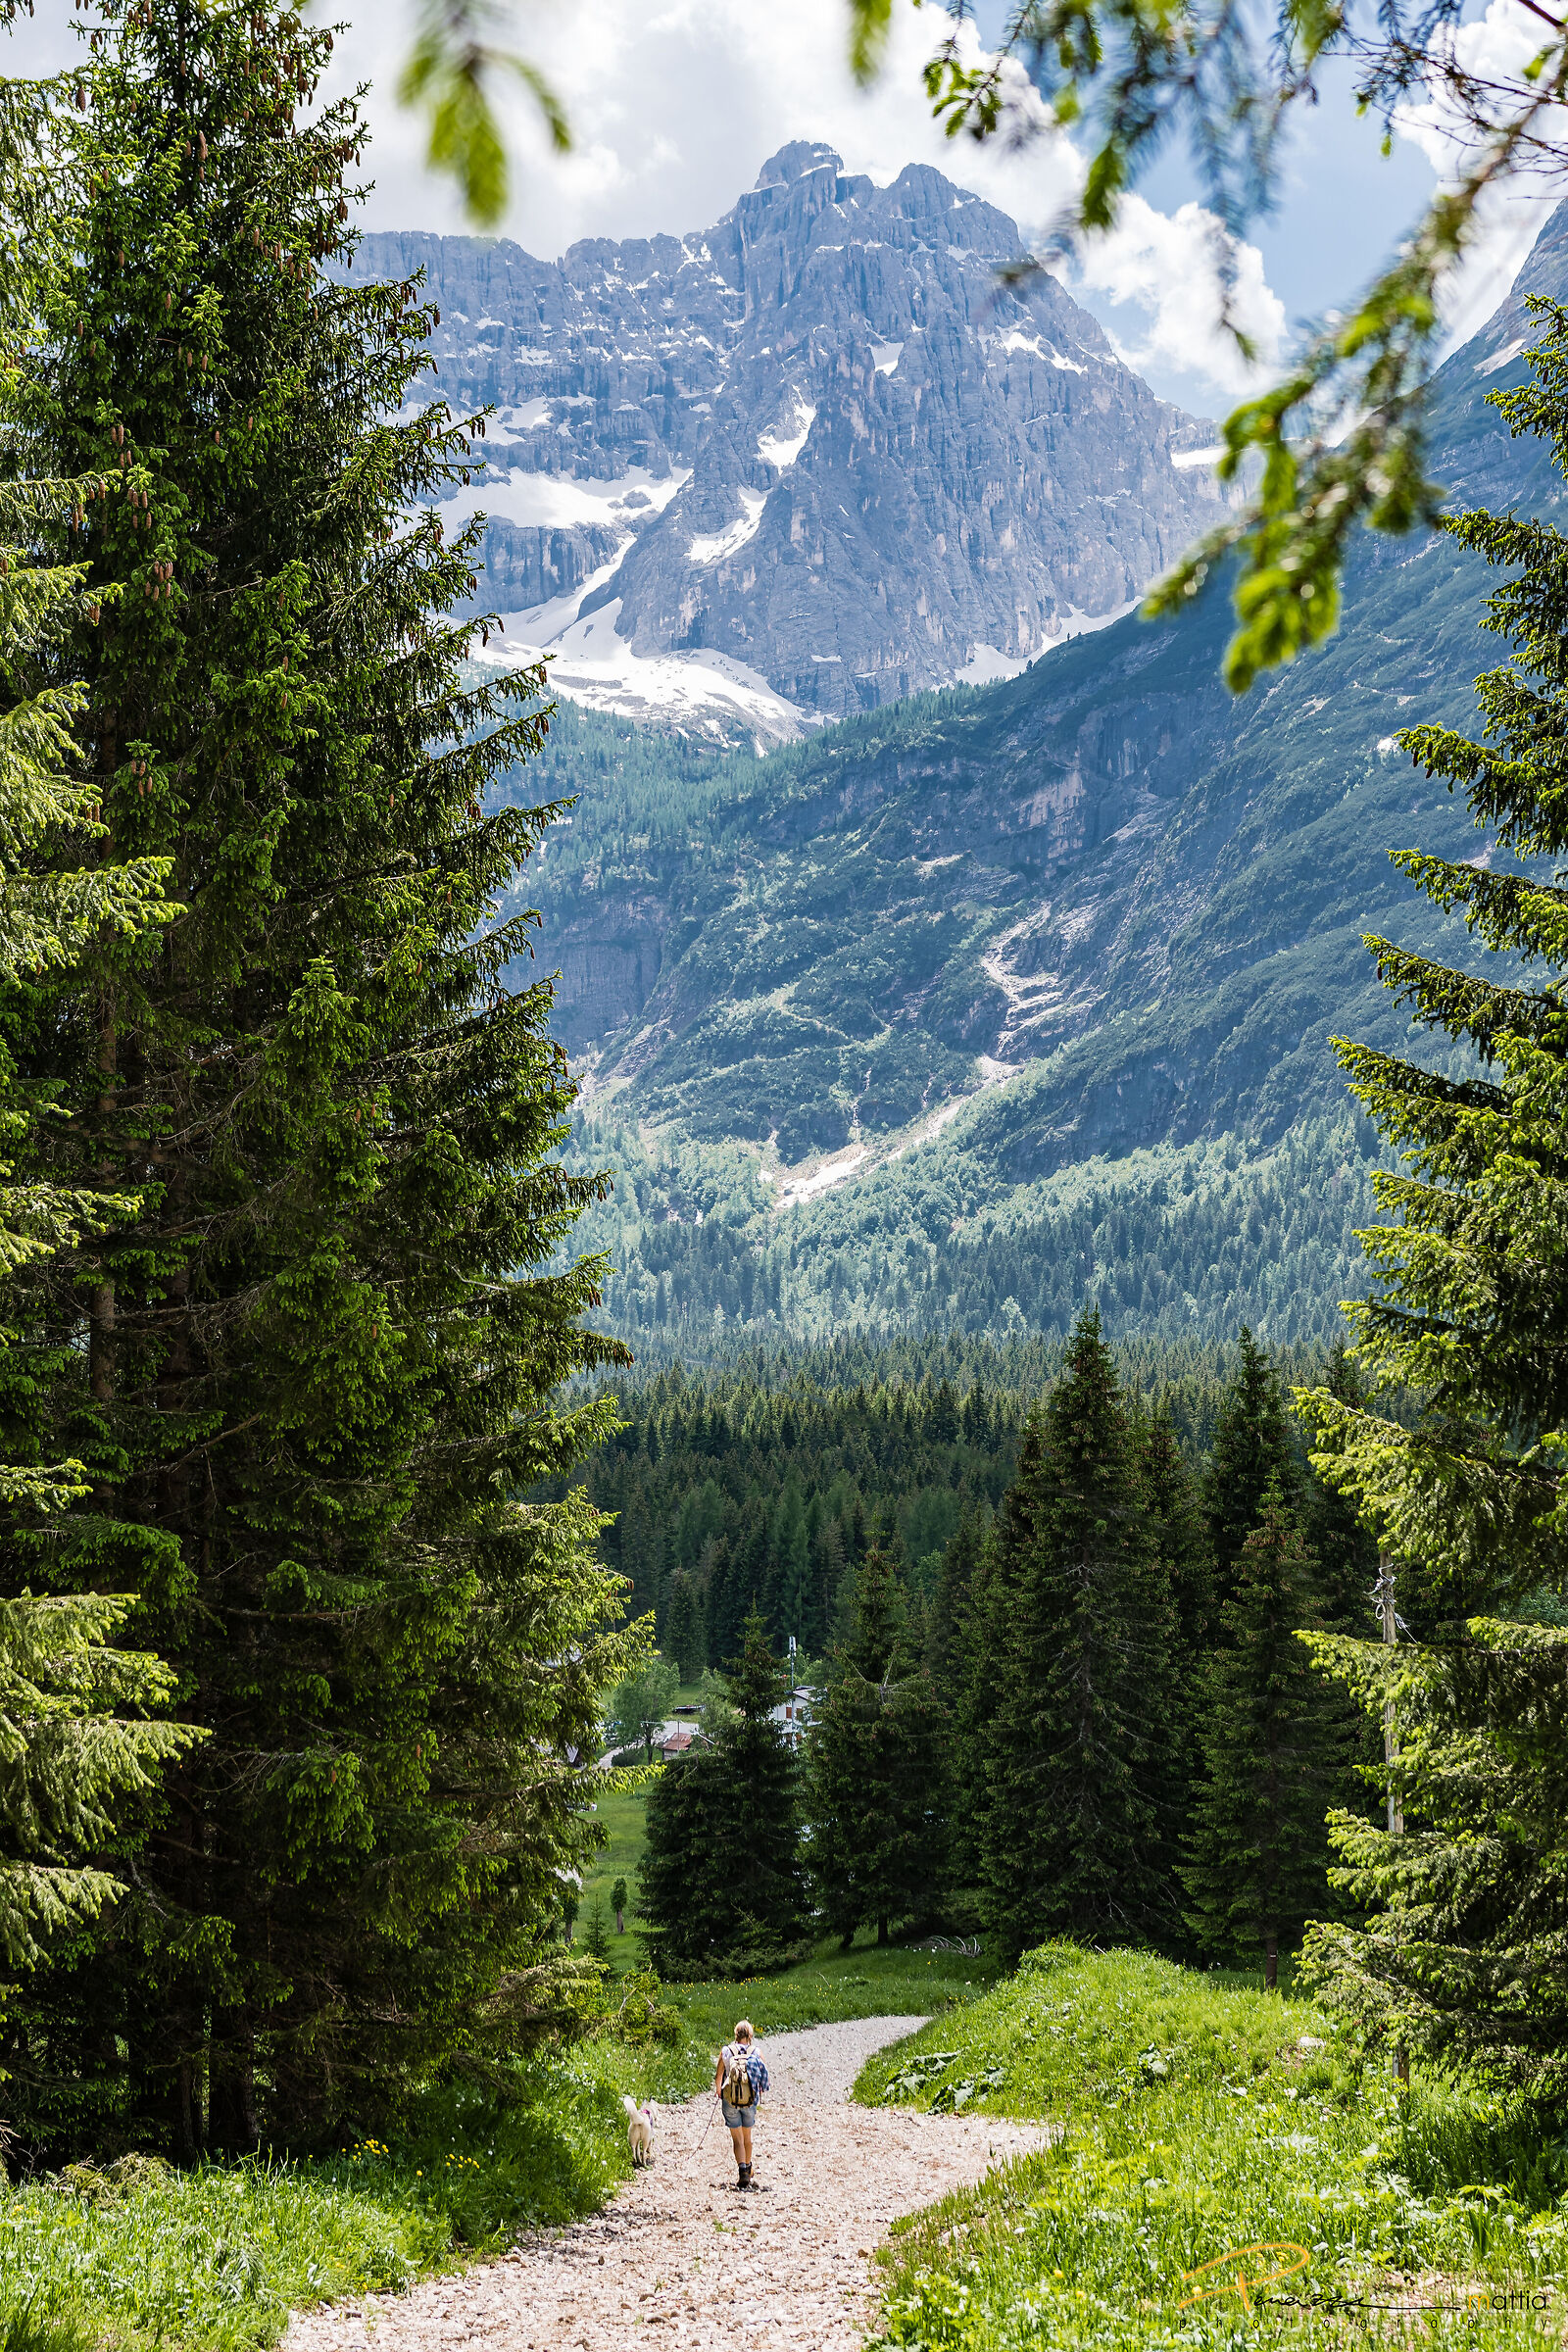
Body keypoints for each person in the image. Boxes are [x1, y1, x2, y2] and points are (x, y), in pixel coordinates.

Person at [714, 2017, 767, 2189]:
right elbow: (764, 2078)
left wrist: (719, 2092)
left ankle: (742, 2170)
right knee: (747, 2138)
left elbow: (718, 2077)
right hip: (749, 2100)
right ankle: (748, 2167)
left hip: (730, 2100)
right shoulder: (756, 2052)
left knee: (737, 2139)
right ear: (750, 2035)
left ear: (735, 2034)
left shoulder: (726, 2051)